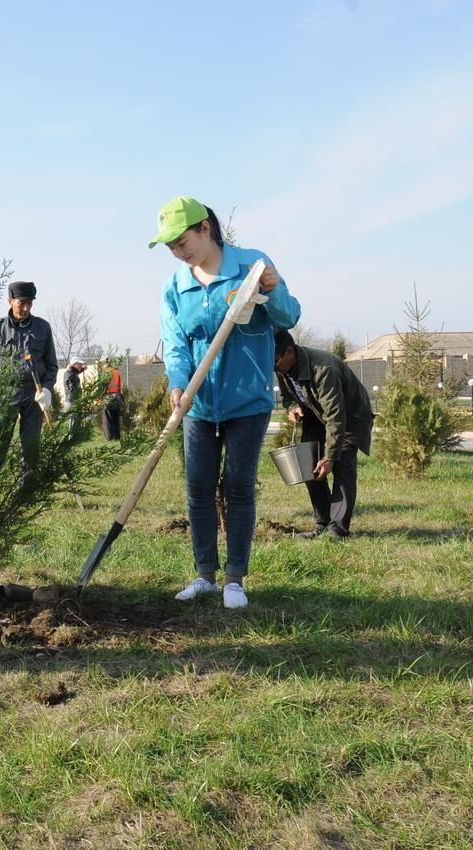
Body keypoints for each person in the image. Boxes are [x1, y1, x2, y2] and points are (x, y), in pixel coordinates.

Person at [154, 196, 301, 609]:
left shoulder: (251, 266)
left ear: (205, 228)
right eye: (170, 247)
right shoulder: (175, 287)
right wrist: (178, 386)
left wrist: (272, 292)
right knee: (198, 489)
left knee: (237, 487)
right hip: (197, 405)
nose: (178, 253)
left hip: (247, 401)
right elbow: (177, 345)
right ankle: (204, 575)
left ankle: (234, 579)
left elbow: (289, 318)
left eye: (182, 241)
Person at [273, 330, 374, 539]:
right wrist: (292, 406)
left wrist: (329, 457)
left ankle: (338, 528)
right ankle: (323, 522)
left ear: (290, 352)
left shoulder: (323, 368)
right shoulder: (281, 366)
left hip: (349, 417)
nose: (273, 367)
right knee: (309, 465)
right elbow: (286, 396)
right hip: (316, 416)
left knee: (342, 466)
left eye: (275, 361)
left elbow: (336, 415)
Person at [0, 280, 58, 463]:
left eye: (29, 303)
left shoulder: (42, 328)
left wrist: (47, 389)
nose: (26, 308)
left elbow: (51, 365)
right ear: (10, 301)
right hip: (5, 392)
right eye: (21, 303)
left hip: (34, 393)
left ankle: (27, 487)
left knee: (31, 447)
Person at [101, 362, 123, 440]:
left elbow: (102, 387)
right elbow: (120, 385)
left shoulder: (105, 373)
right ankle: (117, 437)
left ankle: (109, 437)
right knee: (115, 417)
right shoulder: (117, 372)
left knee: (107, 418)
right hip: (117, 396)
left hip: (108, 396)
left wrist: (100, 399)